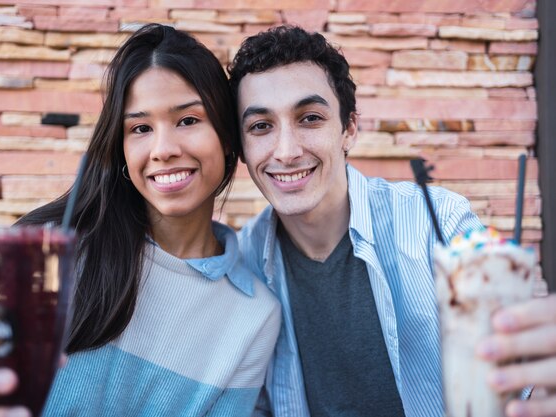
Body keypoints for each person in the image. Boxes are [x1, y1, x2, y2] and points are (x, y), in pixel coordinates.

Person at [0, 23, 280, 417]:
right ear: (122, 151)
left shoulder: (254, 315)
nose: (163, 149)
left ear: (228, 138)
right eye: (141, 128)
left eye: (187, 120)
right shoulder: (44, 255)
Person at [227, 25, 556, 417]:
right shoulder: (244, 260)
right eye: (261, 126)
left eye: (310, 118)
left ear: (348, 129)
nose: (286, 150)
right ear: (243, 148)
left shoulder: (440, 225)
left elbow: (523, 382)